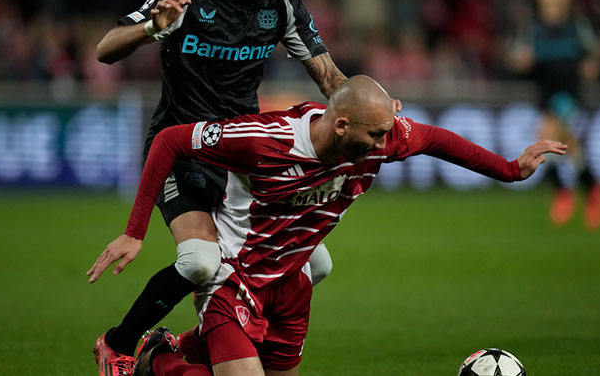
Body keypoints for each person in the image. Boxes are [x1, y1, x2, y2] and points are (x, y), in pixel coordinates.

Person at [88, 76, 567, 376]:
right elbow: (171, 140)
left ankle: (180, 344)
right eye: (376, 134)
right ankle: (159, 360)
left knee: (320, 266)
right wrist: (135, 230)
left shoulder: (379, 138)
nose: (388, 142)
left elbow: (435, 139)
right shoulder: (264, 141)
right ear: (341, 128)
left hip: (291, 285)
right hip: (234, 280)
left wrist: (510, 169)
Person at [89, 0, 350, 375]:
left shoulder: (281, 3)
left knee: (316, 264)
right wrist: (153, 27)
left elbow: (329, 77)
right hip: (182, 150)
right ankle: (117, 344)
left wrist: (368, 110)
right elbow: (105, 49)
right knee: (198, 262)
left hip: (244, 155)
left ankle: (191, 343)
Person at [505, 0, 600, 230]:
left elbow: (597, 49)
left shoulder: (575, 25)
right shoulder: (533, 27)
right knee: (569, 145)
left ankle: (563, 191)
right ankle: (592, 187)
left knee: (547, 134)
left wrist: (592, 64)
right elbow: (516, 56)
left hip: (569, 92)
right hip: (546, 92)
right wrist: (521, 61)